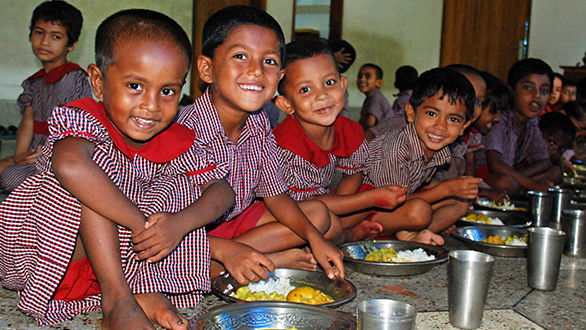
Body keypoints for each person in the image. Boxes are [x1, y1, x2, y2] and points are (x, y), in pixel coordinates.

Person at [0, 9, 235, 329]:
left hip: (128, 257)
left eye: (167, 91)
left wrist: (177, 224)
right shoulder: (83, 119)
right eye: (135, 86)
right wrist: (141, 225)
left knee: (183, 188)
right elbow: (70, 165)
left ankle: (144, 292)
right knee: (90, 179)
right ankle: (117, 300)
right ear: (98, 81)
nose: (151, 105)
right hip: (47, 256)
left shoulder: (178, 139)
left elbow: (222, 191)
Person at [176, 5, 345, 285]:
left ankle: (247, 258)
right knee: (166, 263)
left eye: (268, 61)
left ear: (278, 78)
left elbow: (275, 195)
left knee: (317, 216)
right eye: (240, 56)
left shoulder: (258, 123)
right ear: (207, 69)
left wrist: (315, 240)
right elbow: (160, 227)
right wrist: (226, 250)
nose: (255, 71)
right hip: (183, 240)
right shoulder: (184, 131)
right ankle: (252, 261)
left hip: (230, 228)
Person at [273, 38, 407, 243]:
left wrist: (349, 203)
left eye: (329, 83)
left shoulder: (348, 129)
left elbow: (354, 174)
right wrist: (370, 199)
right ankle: (348, 234)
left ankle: (339, 228)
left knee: (367, 192)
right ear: (286, 103)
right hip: (287, 212)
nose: (322, 95)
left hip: (323, 205)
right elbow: (309, 203)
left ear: (343, 85)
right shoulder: (286, 146)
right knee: (325, 218)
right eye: (306, 89)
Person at [366, 67, 478, 239]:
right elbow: (390, 202)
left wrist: (455, 189)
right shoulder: (396, 148)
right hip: (366, 213)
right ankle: (409, 236)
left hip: (399, 204)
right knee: (419, 211)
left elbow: (422, 179)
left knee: (459, 203)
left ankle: (416, 233)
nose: (441, 126)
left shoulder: (435, 149)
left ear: (464, 126)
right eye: (432, 113)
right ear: (411, 113)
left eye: (453, 119)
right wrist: (445, 189)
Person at [0, 0, 92, 193]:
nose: (44, 42)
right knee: (6, 169)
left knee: (11, 177)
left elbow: (73, 129)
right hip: (35, 154)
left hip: (62, 156)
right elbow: (28, 122)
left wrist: (42, 158)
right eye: (39, 32)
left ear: (72, 44)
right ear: (30, 34)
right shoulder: (33, 83)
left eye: (56, 36)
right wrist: (19, 156)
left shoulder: (74, 78)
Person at [482, 58, 560, 195]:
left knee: (556, 171)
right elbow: (496, 164)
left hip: (513, 175)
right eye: (528, 88)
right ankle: (521, 189)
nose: (537, 95)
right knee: (505, 182)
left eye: (544, 91)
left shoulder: (532, 123)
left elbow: (544, 161)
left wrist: (521, 178)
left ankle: (518, 188)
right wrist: (529, 183)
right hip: (486, 176)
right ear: (511, 90)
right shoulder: (499, 120)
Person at [357, 63, 394, 130]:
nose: (362, 79)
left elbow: (370, 124)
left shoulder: (376, 98)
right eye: (360, 76)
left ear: (379, 83)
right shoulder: (370, 98)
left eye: (368, 76)